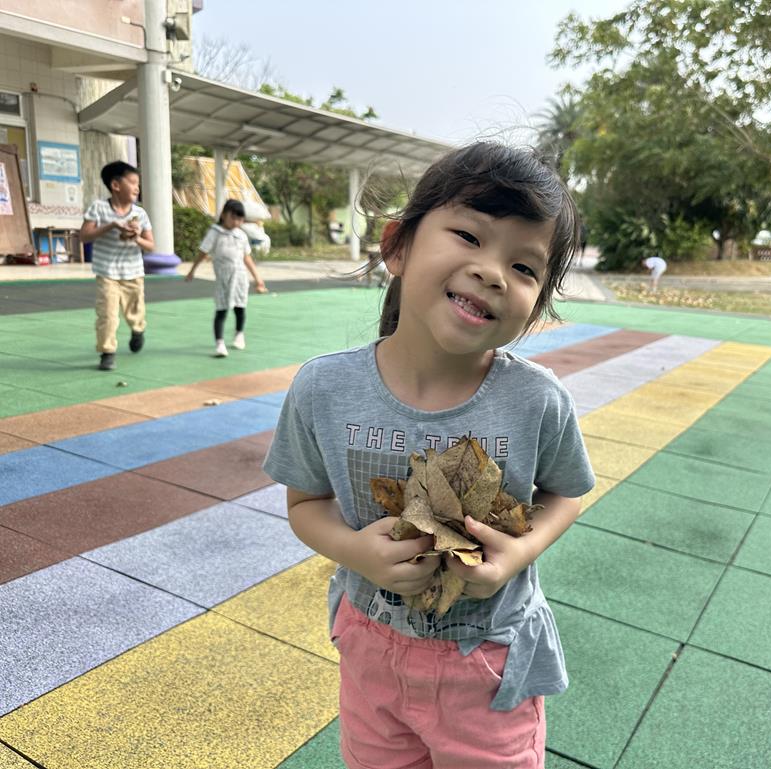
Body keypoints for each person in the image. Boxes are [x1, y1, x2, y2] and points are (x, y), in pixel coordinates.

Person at [263, 142, 595, 769]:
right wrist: (357, 551)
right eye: (469, 236)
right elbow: (306, 504)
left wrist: (517, 552)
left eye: (524, 267)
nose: (493, 273)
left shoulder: (537, 400)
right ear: (397, 246)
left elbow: (566, 494)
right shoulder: (324, 388)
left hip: (489, 659)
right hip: (371, 652)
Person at [80, 161, 154, 371]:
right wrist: (112, 225)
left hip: (133, 272)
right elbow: (84, 236)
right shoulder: (99, 208)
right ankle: (107, 352)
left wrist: (136, 237)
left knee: (135, 311)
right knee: (108, 314)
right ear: (115, 185)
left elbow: (151, 246)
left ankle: (138, 330)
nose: (137, 188)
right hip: (107, 272)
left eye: (138, 183)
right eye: (133, 182)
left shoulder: (140, 213)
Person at [185, 199, 267, 357]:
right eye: (233, 218)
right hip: (223, 279)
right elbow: (203, 252)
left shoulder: (241, 235)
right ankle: (220, 344)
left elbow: (247, 257)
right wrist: (192, 270)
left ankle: (239, 334)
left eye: (240, 219)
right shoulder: (215, 232)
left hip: (240, 278)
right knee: (221, 310)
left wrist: (257, 278)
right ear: (223, 215)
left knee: (240, 307)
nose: (236, 222)